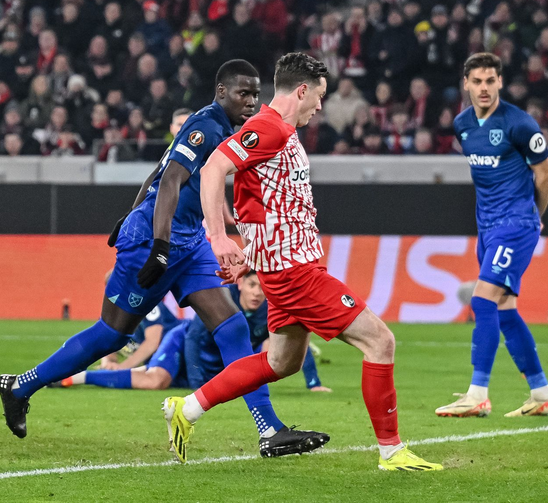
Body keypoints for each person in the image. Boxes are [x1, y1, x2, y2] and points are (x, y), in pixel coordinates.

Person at [0, 60, 328, 460]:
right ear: (221, 92)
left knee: (231, 326)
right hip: (158, 240)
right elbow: (169, 179)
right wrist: (153, 241)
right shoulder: (205, 125)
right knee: (112, 335)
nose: (250, 101)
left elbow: (155, 173)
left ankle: (269, 430)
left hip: (189, 244)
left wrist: (132, 211)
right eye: (243, 93)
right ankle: (20, 385)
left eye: (255, 94)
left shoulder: (235, 129)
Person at [161, 52, 441, 471]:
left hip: (286, 268)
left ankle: (189, 408)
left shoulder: (285, 133)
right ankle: (391, 451)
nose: (320, 106)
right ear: (303, 90)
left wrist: (251, 256)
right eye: (320, 96)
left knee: (281, 362)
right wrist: (218, 237)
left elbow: (260, 205)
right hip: (296, 275)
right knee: (380, 342)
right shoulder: (268, 128)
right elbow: (213, 167)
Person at [435, 52, 548, 419]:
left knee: (482, 299)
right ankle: (542, 393)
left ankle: (478, 393)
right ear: (467, 85)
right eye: (477, 82)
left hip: (516, 225)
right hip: (487, 228)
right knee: (504, 310)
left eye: (491, 81)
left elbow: (547, 176)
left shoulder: (520, 124)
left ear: (500, 83)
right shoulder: (462, 124)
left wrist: (535, 216)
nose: (484, 88)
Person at [55, 272, 330, 393]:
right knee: (155, 381)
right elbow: (192, 336)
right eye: (252, 285)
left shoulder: (270, 309)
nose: (257, 292)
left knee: (271, 350)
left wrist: (313, 382)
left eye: (262, 287)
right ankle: (75, 378)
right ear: (241, 285)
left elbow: (292, 341)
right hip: (184, 346)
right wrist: (198, 384)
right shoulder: (222, 301)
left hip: (212, 364)